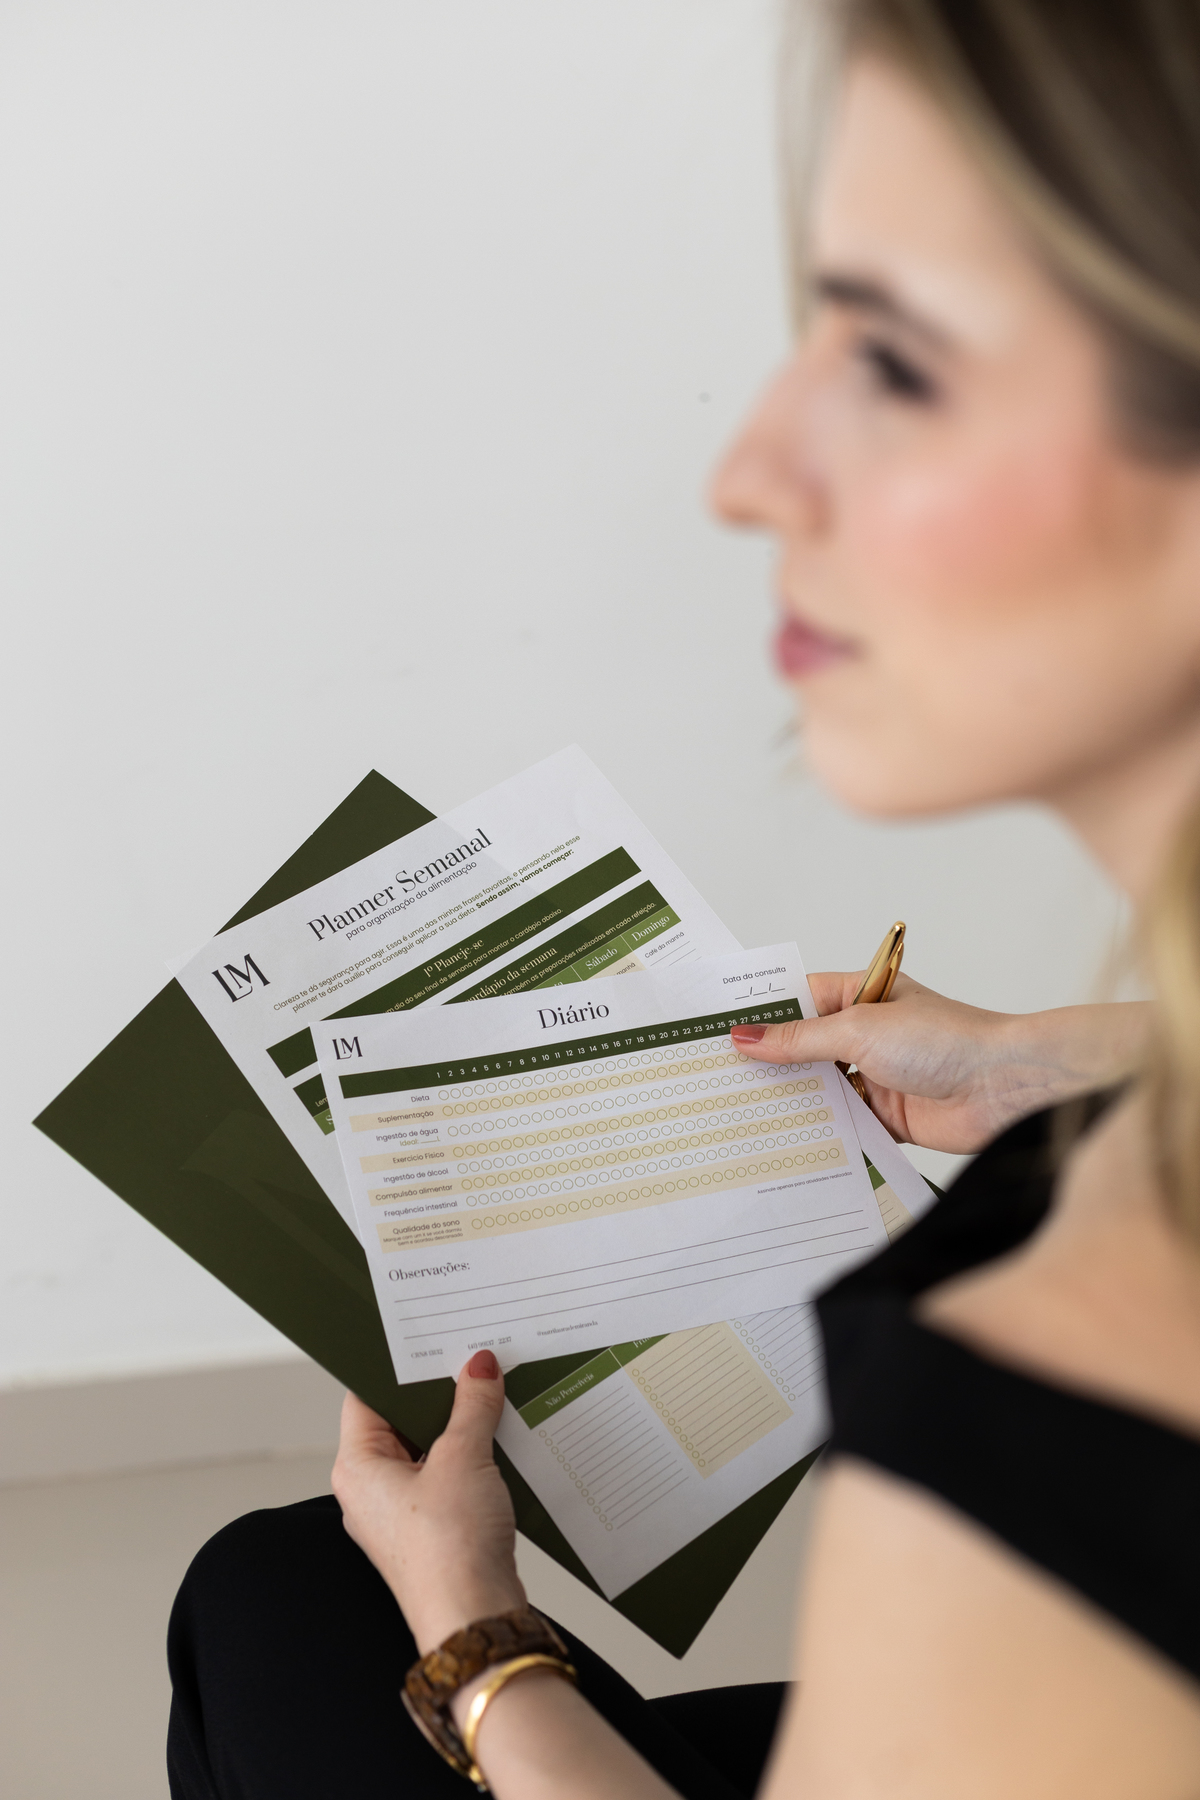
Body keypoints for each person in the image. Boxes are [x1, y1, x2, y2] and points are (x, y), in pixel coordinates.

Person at [166, 3, 1200, 1795]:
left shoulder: (1045, 1396)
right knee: (274, 1590)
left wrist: (478, 1639)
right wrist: (1041, 1066)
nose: (747, 473)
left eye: (898, 364)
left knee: (291, 1616)